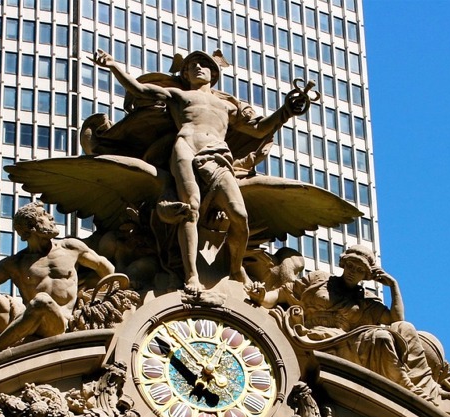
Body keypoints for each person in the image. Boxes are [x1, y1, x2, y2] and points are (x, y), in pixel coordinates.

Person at [90, 48, 307, 292]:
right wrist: (113, 65)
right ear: (184, 73)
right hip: (185, 149)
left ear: (213, 73)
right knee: (189, 210)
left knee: (239, 215)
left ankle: (236, 268)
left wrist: (286, 111)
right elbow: (140, 90)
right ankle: (192, 276)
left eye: (203, 65)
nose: (197, 68)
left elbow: (258, 129)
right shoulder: (178, 95)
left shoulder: (227, 106)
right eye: (191, 66)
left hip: (218, 155)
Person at [248, 245, 447, 404]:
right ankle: (403, 382)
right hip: (309, 334)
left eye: (360, 270)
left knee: (393, 333)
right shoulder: (319, 279)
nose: (353, 272)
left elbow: (396, 319)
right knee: (382, 336)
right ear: (344, 263)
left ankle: (408, 383)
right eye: (351, 265)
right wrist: (262, 296)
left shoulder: (365, 300)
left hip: (343, 342)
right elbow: (284, 293)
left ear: (367, 276)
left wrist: (393, 285)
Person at [0, 203, 115, 367]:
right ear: (32, 227)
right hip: (25, 319)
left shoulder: (70, 247)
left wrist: (107, 294)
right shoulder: (15, 263)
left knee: (41, 301)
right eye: (44, 215)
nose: (52, 218)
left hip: (59, 322)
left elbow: (104, 266)